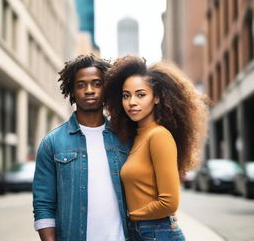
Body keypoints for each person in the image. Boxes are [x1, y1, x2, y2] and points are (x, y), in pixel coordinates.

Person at [104, 55, 208, 241]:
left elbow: (169, 202)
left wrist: (132, 216)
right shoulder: (136, 137)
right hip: (143, 231)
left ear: (157, 98)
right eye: (126, 95)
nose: (131, 102)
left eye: (140, 94)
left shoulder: (159, 136)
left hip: (157, 233)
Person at [32, 54, 132, 241]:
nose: (89, 90)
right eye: (81, 85)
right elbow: (43, 204)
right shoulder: (52, 143)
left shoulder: (125, 138)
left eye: (96, 83)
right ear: (71, 91)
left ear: (106, 89)